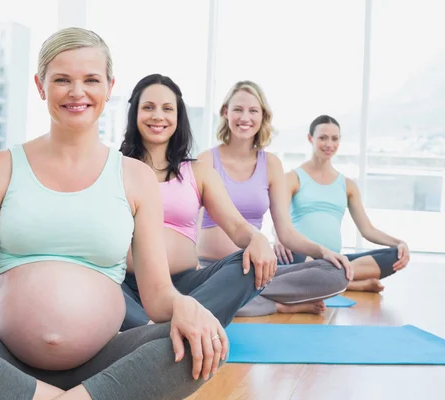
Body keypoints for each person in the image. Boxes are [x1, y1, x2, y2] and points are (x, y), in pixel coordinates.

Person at [0, 28, 230, 400]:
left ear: (110, 86)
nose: (77, 92)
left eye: (91, 80)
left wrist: (186, 306)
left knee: (205, 342)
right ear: (40, 85)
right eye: (62, 79)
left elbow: (158, 295)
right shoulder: (0, 168)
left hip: (105, 362)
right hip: (5, 360)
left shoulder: (135, 177)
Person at [118, 73, 278, 331]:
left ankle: (166, 328)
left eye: (167, 109)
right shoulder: (115, 169)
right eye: (148, 107)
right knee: (94, 278)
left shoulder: (198, 171)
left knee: (247, 265)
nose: (158, 116)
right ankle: (165, 330)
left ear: (178, 117)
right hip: (123, 283)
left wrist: (258, 239)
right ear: (134, 114)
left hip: (186, 286)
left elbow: (237, 227)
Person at [196, 81, 352, 317]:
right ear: (226, 112)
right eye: (238, 109)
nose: (244, 117)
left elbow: (286, 232)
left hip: (259, 271)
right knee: (201, 292)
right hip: (212, 269)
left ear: (263, 116)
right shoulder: (206, 160)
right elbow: (191, 223)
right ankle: (276, 305)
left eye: (253, 111)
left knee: (336, 274)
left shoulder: (271, 165)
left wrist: (323, 252)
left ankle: (244, 299)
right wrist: (192, 267)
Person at [273, 114, 411, 292]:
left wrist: (399, 243)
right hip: (302, 257)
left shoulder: (348, 185)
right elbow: (279, 220)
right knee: (286, 254)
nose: (329, 144)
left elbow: (367, 230)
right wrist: (279, 238)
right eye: (322, 138)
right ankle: (351, 284)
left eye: (334, 139)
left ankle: (332, 278)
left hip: (336, 260)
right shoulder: (292, 178)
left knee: (393, 256)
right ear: (310, 138)